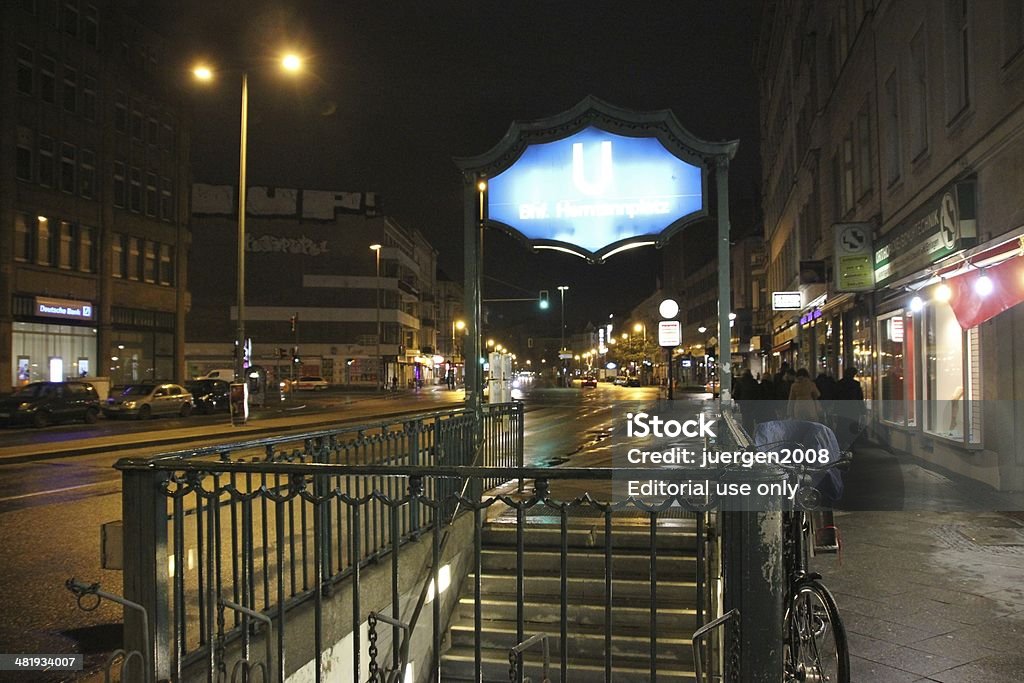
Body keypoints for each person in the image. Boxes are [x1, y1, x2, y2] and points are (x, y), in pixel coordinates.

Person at [834, 366, 866, 448]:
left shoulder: (839, 383)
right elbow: (859, 398)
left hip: (842, 408)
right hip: (853, 408)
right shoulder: (856, 384)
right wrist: (863, 410)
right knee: (853, 426)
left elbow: (835, 397)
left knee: (842, 425)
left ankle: (841, 443)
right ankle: (852, 444)